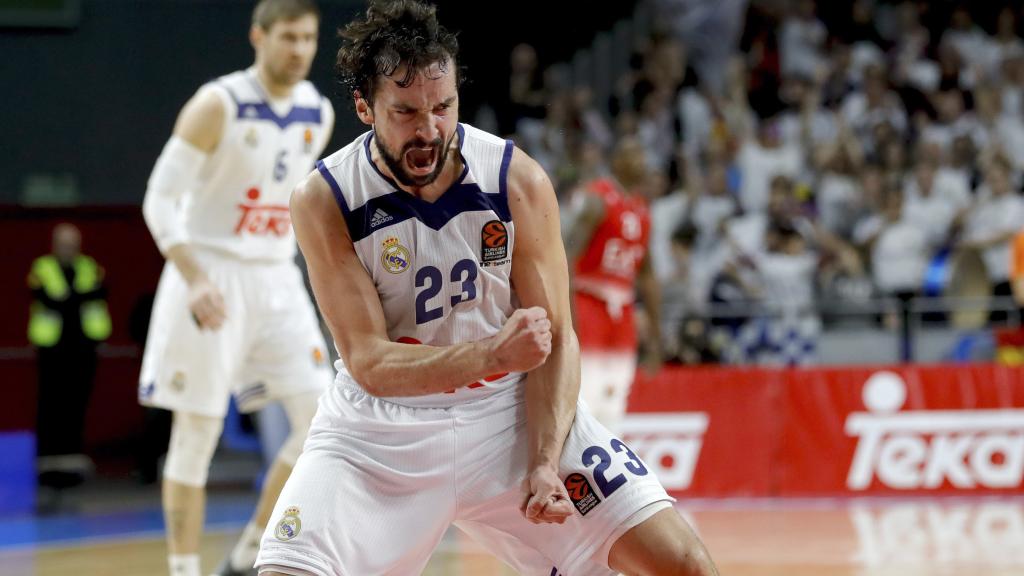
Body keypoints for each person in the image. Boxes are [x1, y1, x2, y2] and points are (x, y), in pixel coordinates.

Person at [256, 2, 718, 575]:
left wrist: (546, 460)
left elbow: (558, 335)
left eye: (443, 107)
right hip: (380, 432)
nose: (429, 130)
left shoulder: (514, 178)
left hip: (507, 413)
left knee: (685, 563)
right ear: (364, 108)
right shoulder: (325, 198)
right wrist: (491, 353)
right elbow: (369, 360)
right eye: (404, 112)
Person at [137, 1, 335, 575]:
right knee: (195, 433)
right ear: (259, 36)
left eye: (308, 39)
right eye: (289, 38)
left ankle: (250, 552)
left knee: (323, 420)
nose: (299, 50)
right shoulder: (216, 103)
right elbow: (159, 198)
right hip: (209, 270)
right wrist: (193, 276)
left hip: (276, 274)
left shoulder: (315, 112)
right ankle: (183, 569)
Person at [563, 138, 662, 434]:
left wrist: (656, 335)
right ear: (616, 161)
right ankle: (573, 469)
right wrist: (568, 318)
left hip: (623, 310)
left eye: (642, 154)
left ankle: (605, 472)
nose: (641, 161)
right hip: (589, 300)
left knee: (617, 395)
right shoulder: (596, 199)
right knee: (586, 394)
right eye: (633, 154)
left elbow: (647, 275)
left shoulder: (643, 210)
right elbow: (566, 259)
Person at [27, 223, 111, 492]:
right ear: (54, 244)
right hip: (52, 349)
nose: (69, 249)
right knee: (51, 407)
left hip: (83, 348)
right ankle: (48, 466)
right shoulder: (42, 268)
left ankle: (73, 465)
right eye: (64, 243)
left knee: (77, 405)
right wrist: (78, 298)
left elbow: (101, 292)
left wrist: (69, 298)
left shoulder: (89, 267)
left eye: (73, 243)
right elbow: (47, 300)